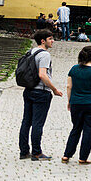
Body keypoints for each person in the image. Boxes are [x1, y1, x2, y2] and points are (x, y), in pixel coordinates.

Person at [18, 29, 63, 161]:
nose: (53, 41)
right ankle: (36, 152)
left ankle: (24, 151)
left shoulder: (30, 52)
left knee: (26, 121)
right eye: (50, 39)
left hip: (29, 90)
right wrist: (54, 89)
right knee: (37, 123)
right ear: (43, 41)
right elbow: (42, 74)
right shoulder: (44, 55)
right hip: (41, 92)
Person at [62, 45, 91, 164]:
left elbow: (69, 86)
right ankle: (83, 157)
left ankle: (67, 154)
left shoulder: (74, 69)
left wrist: (69, 100)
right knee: (89, 130)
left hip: (76, 103)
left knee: (76, 128)